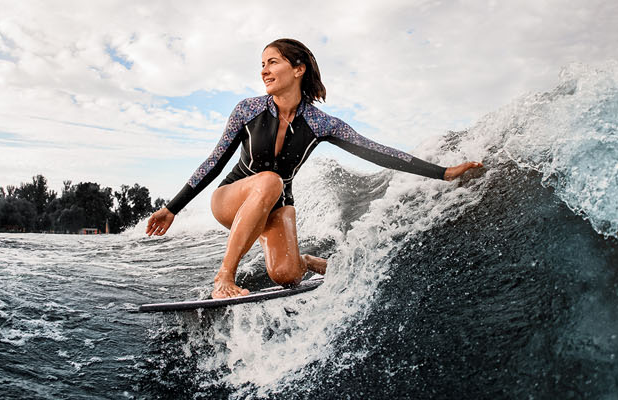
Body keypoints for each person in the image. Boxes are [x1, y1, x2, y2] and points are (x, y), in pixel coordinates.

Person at [143, 38, 484, 300]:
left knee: (287, 275)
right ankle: (224, 278)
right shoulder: (247, 109)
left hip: (273, 205)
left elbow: (377, 152)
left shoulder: (320, 123)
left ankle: (305, 261)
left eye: (272, 62)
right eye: (261, 64)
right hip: (232, 199)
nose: (263, 70)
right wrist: (172, 207)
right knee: (270, 181)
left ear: (298, 68)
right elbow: (214, 160)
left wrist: (443, 173)